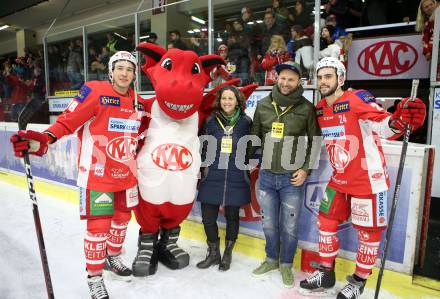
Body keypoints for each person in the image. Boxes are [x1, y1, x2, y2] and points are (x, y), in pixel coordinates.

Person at [10, 51, 143, 299]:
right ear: (111, 71)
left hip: (126, 177)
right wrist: (43, 140)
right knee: (99, 228)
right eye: (120, 68)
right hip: (97, 175)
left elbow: (140, 137)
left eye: (130, 69)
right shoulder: (95, 91)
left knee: (122, 221)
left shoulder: (138, 101)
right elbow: (67, 121)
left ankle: (112, 257)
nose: (125, 73)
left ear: (135, 74)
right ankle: (94, 278)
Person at [299, 57, 426, 299]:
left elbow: (383, 125)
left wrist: (401, 120)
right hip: (340, 179)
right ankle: (326, 273)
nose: (323, 81)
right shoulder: (320, 108)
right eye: (320, 76)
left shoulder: (356, 98)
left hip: (369, 180)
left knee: (368, 235)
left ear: (341, 78)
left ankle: (358, 281)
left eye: (328, 76)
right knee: (325, 222)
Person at [251, 61, 321, 288]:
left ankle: (286, 264)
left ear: (298, 82)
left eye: (291, 79)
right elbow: (254, 139)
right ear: (276, 77)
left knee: (290, 226)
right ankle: (271, 260)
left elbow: (314, 142)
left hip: (293, 178)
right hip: (267, 177)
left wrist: (305, 170)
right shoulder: (262, 105)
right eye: (282, 78)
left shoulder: (306, 108)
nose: (285, 83)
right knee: (269, 224)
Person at [196, 85, 252, 271]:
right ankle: (213, 253)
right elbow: (203, 147)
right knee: (208, 218)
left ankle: (227, 253)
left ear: (238, 101)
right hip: (212, 174)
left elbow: (253, 146)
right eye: (224, 99)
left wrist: (247, 163)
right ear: (219, 101)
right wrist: (200, 169)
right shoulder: (211, 121)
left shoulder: (246, 122)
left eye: (230, 98)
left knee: (232, 217)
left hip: (236, 175)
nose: (227, 102)